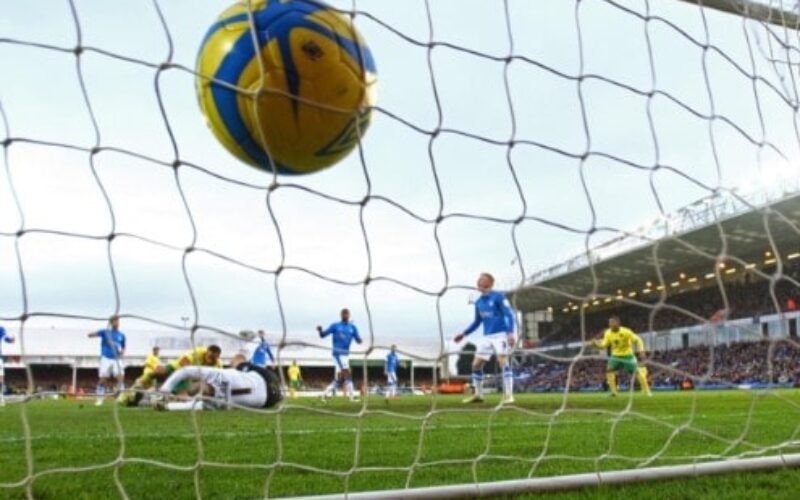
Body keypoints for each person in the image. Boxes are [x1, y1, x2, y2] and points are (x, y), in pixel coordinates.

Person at [453, 273, 516, 404]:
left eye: (481, 280)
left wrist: (510, 333)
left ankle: (509, 395)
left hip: (501, 335)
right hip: (487, 336)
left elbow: (509, 315)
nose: (478, 282)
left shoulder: (499, 297)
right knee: (476, 365)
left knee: (502, 361)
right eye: (478, 280)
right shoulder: (479, 302)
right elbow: (477, 322)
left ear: (489, 283)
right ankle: (478, 395)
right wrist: (464, 334)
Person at [156, 354, 282, 411]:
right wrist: (165, 393)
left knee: (238, 363)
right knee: (238, 362)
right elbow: (185, 371)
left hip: (267, 399)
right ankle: (239, 360)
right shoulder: (216, 376)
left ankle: (239, 360)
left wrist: (167, 402)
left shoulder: (215, 404)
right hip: (267, 383)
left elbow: (191, 405)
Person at [593, 316, 652, 397]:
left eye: (612, 322)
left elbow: (638, 340)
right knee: (609, 370)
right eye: (609, 323)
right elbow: (604, 345)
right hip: (615, 356)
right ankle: (614, 392)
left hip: (628, 355)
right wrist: (597, 345)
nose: (610, 325)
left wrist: (641, 351)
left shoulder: (626, 331)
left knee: (636, 372)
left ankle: (647, 390)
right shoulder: (608, 333)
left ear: (617, 323)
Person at [317, 308, 362, 402]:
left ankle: (324, 394)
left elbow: (358, 340)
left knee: (341, 379)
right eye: (343, 314)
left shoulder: (352, 327)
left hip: (346, 355)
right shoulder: (335, 326)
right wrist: (320, 331)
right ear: (341, 315)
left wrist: (359, 340)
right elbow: (323, 335)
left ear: (349, 315)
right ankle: (352, 397)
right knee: (347, 373)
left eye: (347, 314)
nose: (345, 315)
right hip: (337, 354)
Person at [87, 315, 126, 406]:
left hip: (116, 359)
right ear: (111, 322)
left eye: (118, 321)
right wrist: (91, 334)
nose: (117, 322)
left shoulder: (121, 335)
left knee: (120, 376)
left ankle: (120, 396)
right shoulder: (105, 332)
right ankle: (99, 399)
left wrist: (122, 353)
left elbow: (123, 346)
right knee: (103, 379)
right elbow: (91, 335)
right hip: (106, 358)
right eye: (115, 321)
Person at [0, 325, 15, 407]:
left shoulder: (1, 329)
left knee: (1, 377)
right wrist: (11, 340)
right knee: (1, 377)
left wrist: (11, 340)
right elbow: (8, 339)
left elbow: (7, 339)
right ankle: (1, 397)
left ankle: (1, 397)